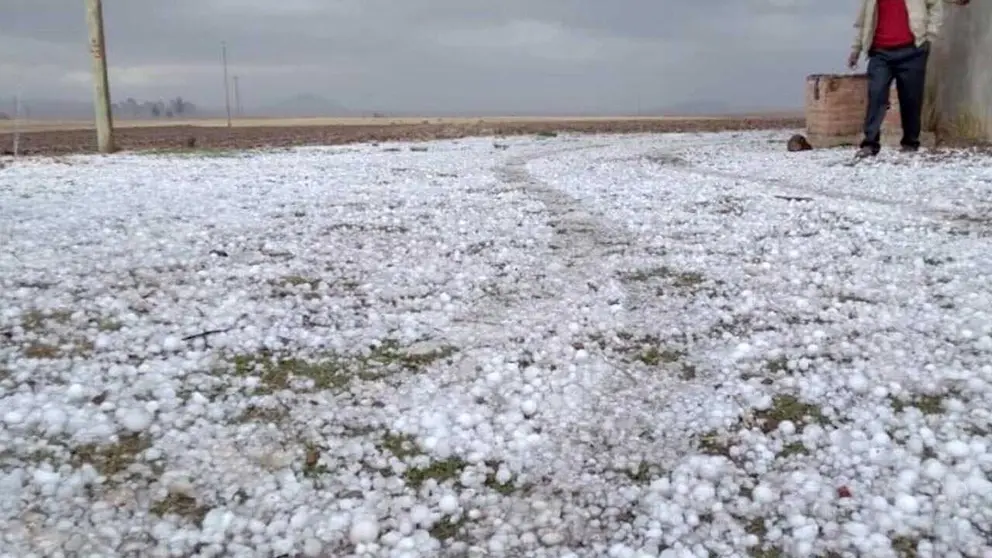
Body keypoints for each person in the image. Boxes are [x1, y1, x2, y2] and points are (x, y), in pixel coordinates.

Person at [848, 0, 943, 158]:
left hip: (913, 50)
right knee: (876, 94)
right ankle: (870, 144)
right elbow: (864, 20)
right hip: (879, 53)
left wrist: (930, 35)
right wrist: (855, 50)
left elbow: (935, 5)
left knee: (911, 98)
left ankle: (910, 143)